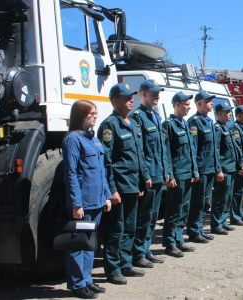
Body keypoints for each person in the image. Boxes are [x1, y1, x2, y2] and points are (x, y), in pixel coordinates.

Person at [98, 83, 148, 285]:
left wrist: (143, 181)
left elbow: (139, 154)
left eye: (132, 96)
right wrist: (111, 190)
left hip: (133, 185)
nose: (131, 100)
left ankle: (126, 263)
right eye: (127, 97)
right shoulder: (109, 125)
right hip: (119, 187)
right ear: (115, 100)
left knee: (130, 227)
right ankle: (112, 269)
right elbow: (106, 161)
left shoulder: (133, 123)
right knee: (115, 229)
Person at [63, 100, 112, 299]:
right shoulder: (73, 140)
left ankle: (87, 280)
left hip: (97, 201)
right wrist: (76, 203)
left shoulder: (93, 139)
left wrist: (107, 196)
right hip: (83, 202)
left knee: (90, 243)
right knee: (79, 244)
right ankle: (77, 284)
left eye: (95, 113)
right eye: (91, 113)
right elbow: (71, 173)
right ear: (81, 115)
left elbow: (102, 171)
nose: (95, 116)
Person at [130, 79, 168, 268]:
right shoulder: (137, 117)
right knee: (144, 216)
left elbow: (162, 148)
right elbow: (140, 151)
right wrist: (146, 175)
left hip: (159, 174)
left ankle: (146, 249)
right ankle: (138, 253)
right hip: (149, 176)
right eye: (153, 93)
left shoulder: (156, 117)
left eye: (158, 92)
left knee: (153, 216)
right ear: (143, 94)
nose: (157, 95)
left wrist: (166, 170)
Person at [162, 92, 199, 257]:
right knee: (174, 210)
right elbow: (166, 152)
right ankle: (170, 243)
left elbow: (192, 151)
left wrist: (194, 169)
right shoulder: (168, 125)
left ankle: (178, 240)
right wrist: (169, 175)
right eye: (186, 104)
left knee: (184, 209)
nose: (189, 107)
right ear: (177, 104)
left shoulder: (184, 124)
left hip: (187, 174)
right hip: (177, 175)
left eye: (189, 104)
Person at [187, 90, 223, 243]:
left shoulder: (209, 122)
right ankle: (194, 232)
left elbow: (215, 149)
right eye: (208, 101)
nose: (211, 103)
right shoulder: (194, 122)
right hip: (201, 169)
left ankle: (199, 229)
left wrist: (217, 168)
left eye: (211, 101)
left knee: (205, 202)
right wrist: (195, 170)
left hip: (210, 168)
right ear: (199, 103)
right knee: (198, 201)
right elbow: (193, 148)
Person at [211, 102, 243, 234]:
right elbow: (216, 151)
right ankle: (216, 224)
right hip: (224, 169)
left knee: (227, 197)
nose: (230, 114)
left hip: (231, 168)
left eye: (230, 111)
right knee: (220, 198)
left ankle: (223, 222)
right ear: (219, 114)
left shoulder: (226, 128)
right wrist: (219, 169)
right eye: (227, 111)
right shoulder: (217, 129)